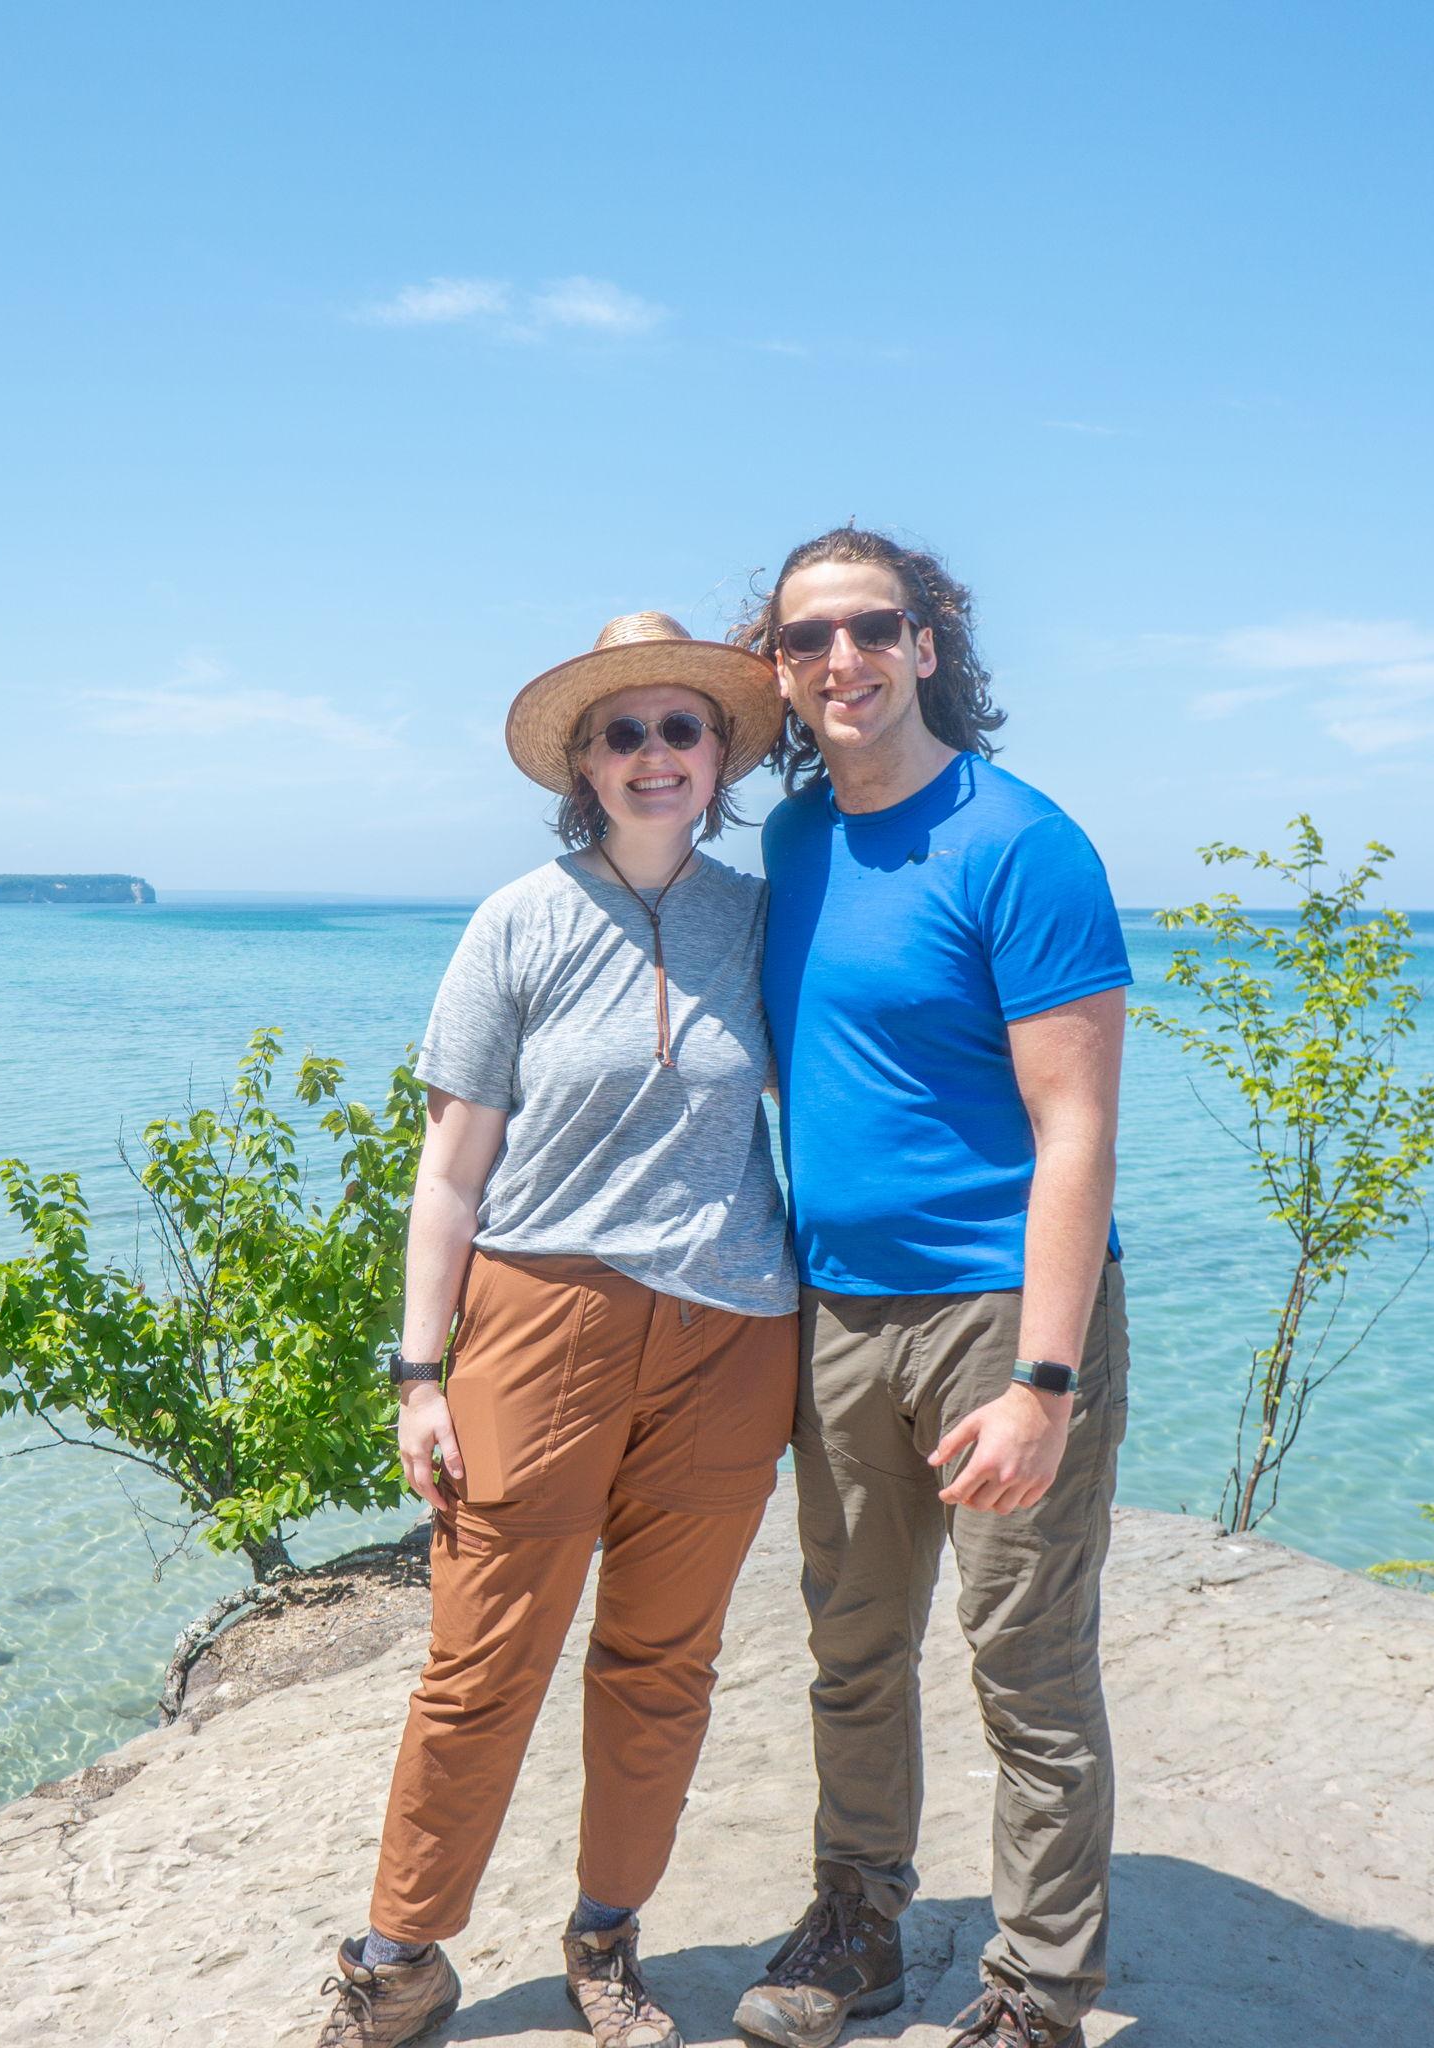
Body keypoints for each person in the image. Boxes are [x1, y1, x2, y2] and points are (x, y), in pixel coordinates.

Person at [313, 612, 799, 2048]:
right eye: (623, 732)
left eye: (682, 729)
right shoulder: (516, 919)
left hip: (734, 1332)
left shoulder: (764, 920)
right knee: (482, 1659)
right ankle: (400, 1955)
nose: (655, 755)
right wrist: (419, 1370)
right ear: (582, 764)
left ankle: (607, 1941)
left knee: (664, 1664)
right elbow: (450, 1169)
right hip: (542, 1320)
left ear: (719, 757)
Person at [727, 528, 1131, 2048]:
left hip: (995, 1315)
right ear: (775, 668)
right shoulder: (793, 844)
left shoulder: (1022, 843)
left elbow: (1077, 1126)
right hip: (837, 1312)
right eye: (804, 638)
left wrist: (1045, 1379)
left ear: (930, 643)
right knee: (852, 1643)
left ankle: (1038, 1988)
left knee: (1025, 1667)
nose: (841, 661)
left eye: (873, 628)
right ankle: (858, 1925)